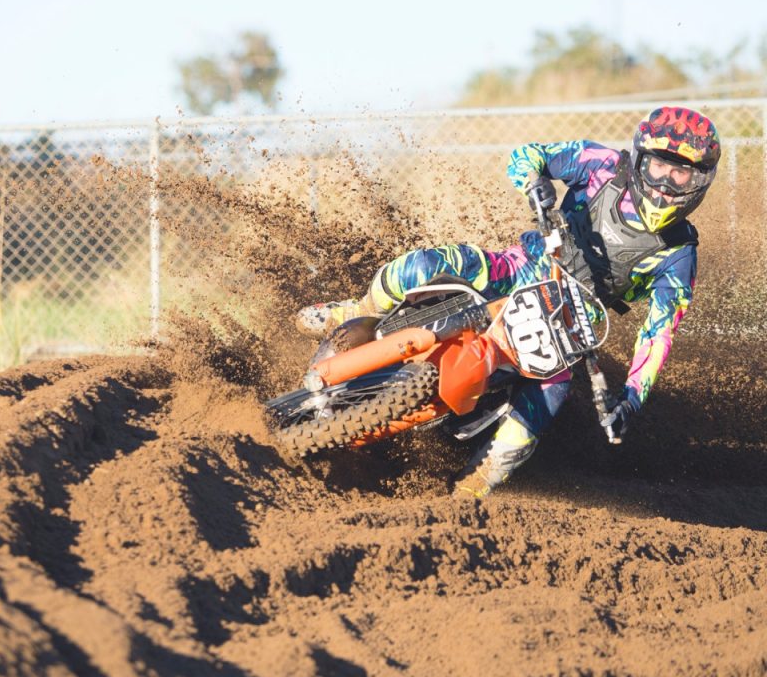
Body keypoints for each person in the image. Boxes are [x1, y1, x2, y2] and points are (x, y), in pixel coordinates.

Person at [296, 106, 721, 498]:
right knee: (426, 265)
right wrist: (534, 184)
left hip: (570, 324)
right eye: (660, 166)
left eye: (680, 173)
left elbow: (657, 336)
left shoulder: (680, 254)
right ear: (642, 160)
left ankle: (477, 482)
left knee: (548, 399)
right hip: (521, 266)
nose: (666, 182)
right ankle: (353, 310)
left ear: (700, 179)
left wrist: (630, 401)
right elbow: (527, 154)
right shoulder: (603, 165)